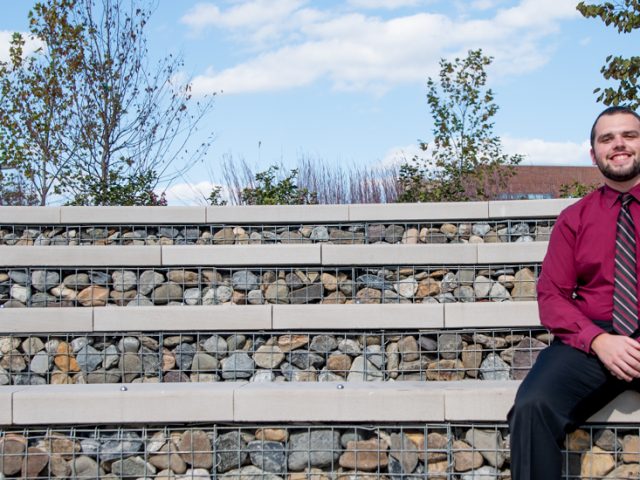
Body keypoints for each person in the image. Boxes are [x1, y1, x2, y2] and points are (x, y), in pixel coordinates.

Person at [508, 105, 640, 480]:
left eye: (628, 135)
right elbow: (551, 296)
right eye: (607, 139)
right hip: (593, 341)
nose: (618, 145)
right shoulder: (575, 218)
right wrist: (598, 340)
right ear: (594, 153)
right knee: (532, 407)